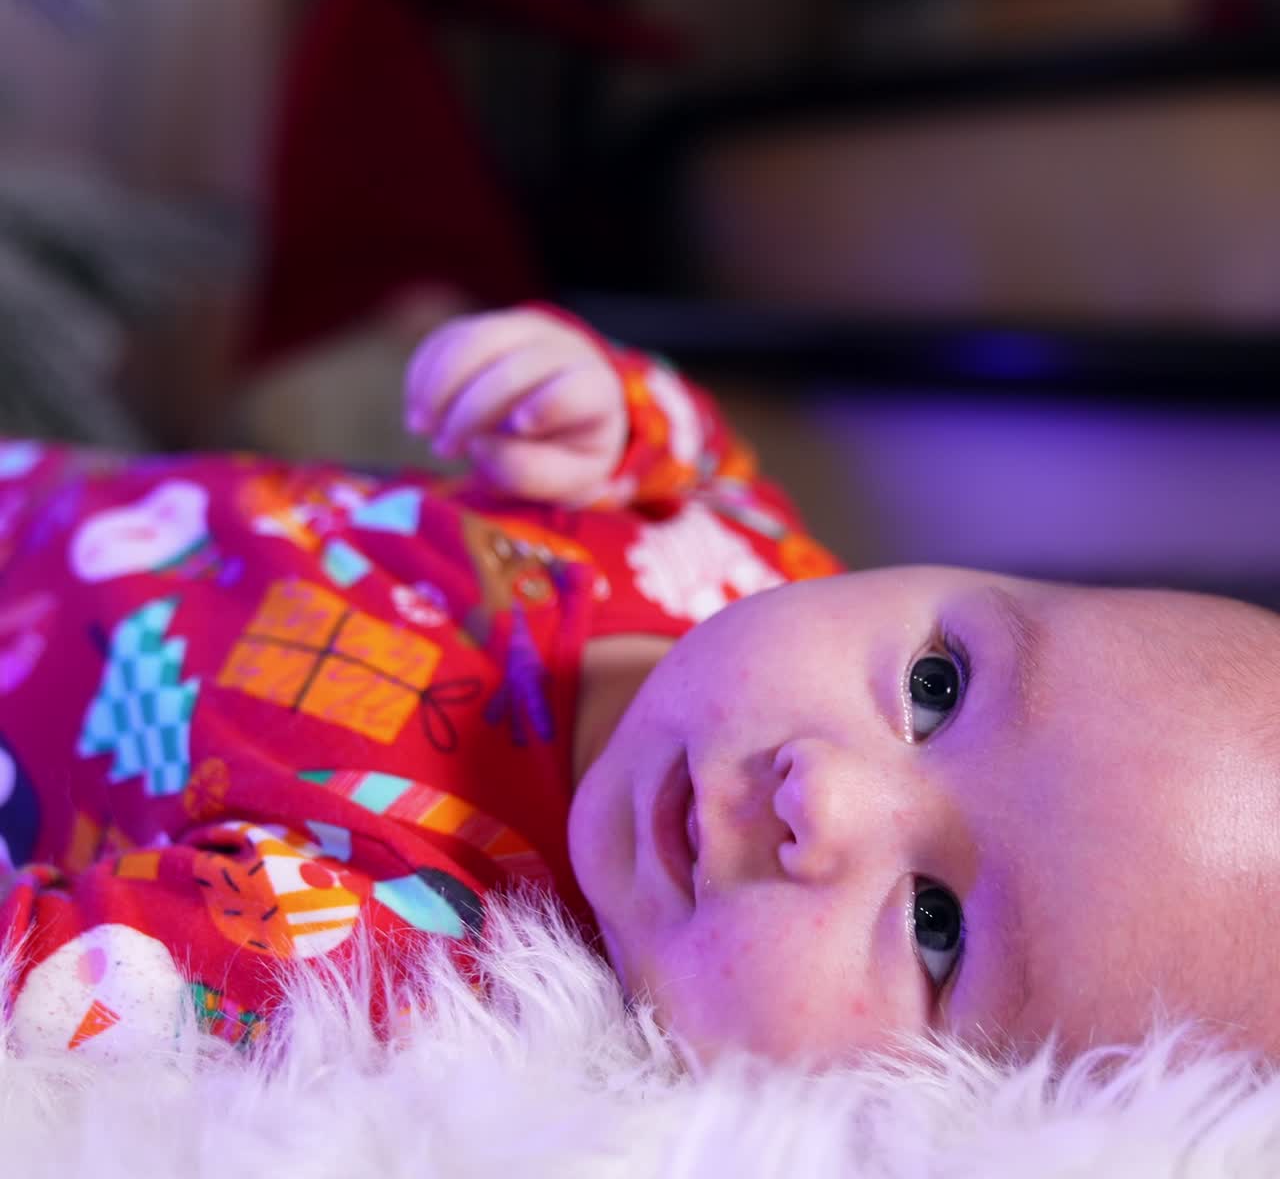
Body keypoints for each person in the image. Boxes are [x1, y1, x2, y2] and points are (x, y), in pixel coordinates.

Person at [0, 304, 1277, 1068]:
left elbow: (51, 963)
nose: (821, 797)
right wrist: (601, 407)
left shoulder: (398, 960)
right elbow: (705, 460)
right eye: (936, 687)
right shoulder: (735, 560)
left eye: (935, 927)